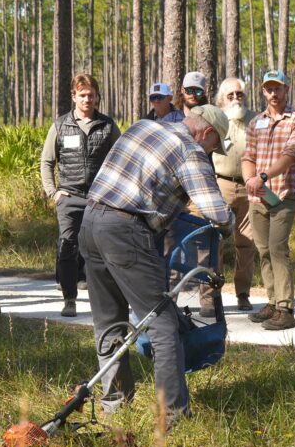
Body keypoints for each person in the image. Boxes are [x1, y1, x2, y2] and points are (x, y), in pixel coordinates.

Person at [80, 105, 234, 427]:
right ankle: (174, 416)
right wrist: (230, 223)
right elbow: (217, 213)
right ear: (206, 133)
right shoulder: (189, 150)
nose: (211, 153)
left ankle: (115, 406)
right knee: (162, 324)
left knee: (109, 321)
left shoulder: (142, 126)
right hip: (126, 231)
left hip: (91, 221)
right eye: (214, 146)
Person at [40, 74, 120, 317]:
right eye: (82, 95)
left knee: (103, 249)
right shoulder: (60, 125)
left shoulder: (108, 125)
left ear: (97, 97)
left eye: (91, 95)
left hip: (99, 199)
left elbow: (121, 159)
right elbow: (46, 161)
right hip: (70, 197)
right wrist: (53, 192)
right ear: (74, 97)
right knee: (68, 247)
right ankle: (69, 299)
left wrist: (115, 194)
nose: (87, 99)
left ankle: (104, 301)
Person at [241, 70, 295, 330]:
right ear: (263, 91)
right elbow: (248, 156)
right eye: (268, 88)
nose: (273, 93)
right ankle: (272, 301)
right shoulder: (255, 122)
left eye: (277, 88)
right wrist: (251, 180)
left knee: (278, 248)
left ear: (286, 89)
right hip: (257, 195)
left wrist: (263, 176)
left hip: (282, 194)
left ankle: (286, 309)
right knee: (263, 249)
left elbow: (292, 154)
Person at [208, 77, 255, 313]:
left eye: (239, 94)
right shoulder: (215, 119)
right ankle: (213, 293)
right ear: (221, 99)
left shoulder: (255, 120)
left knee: (246, 243)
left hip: (249, 188)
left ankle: (243, 293)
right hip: (222, 185)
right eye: (231, 95)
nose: (236, 98)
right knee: (215, 241)